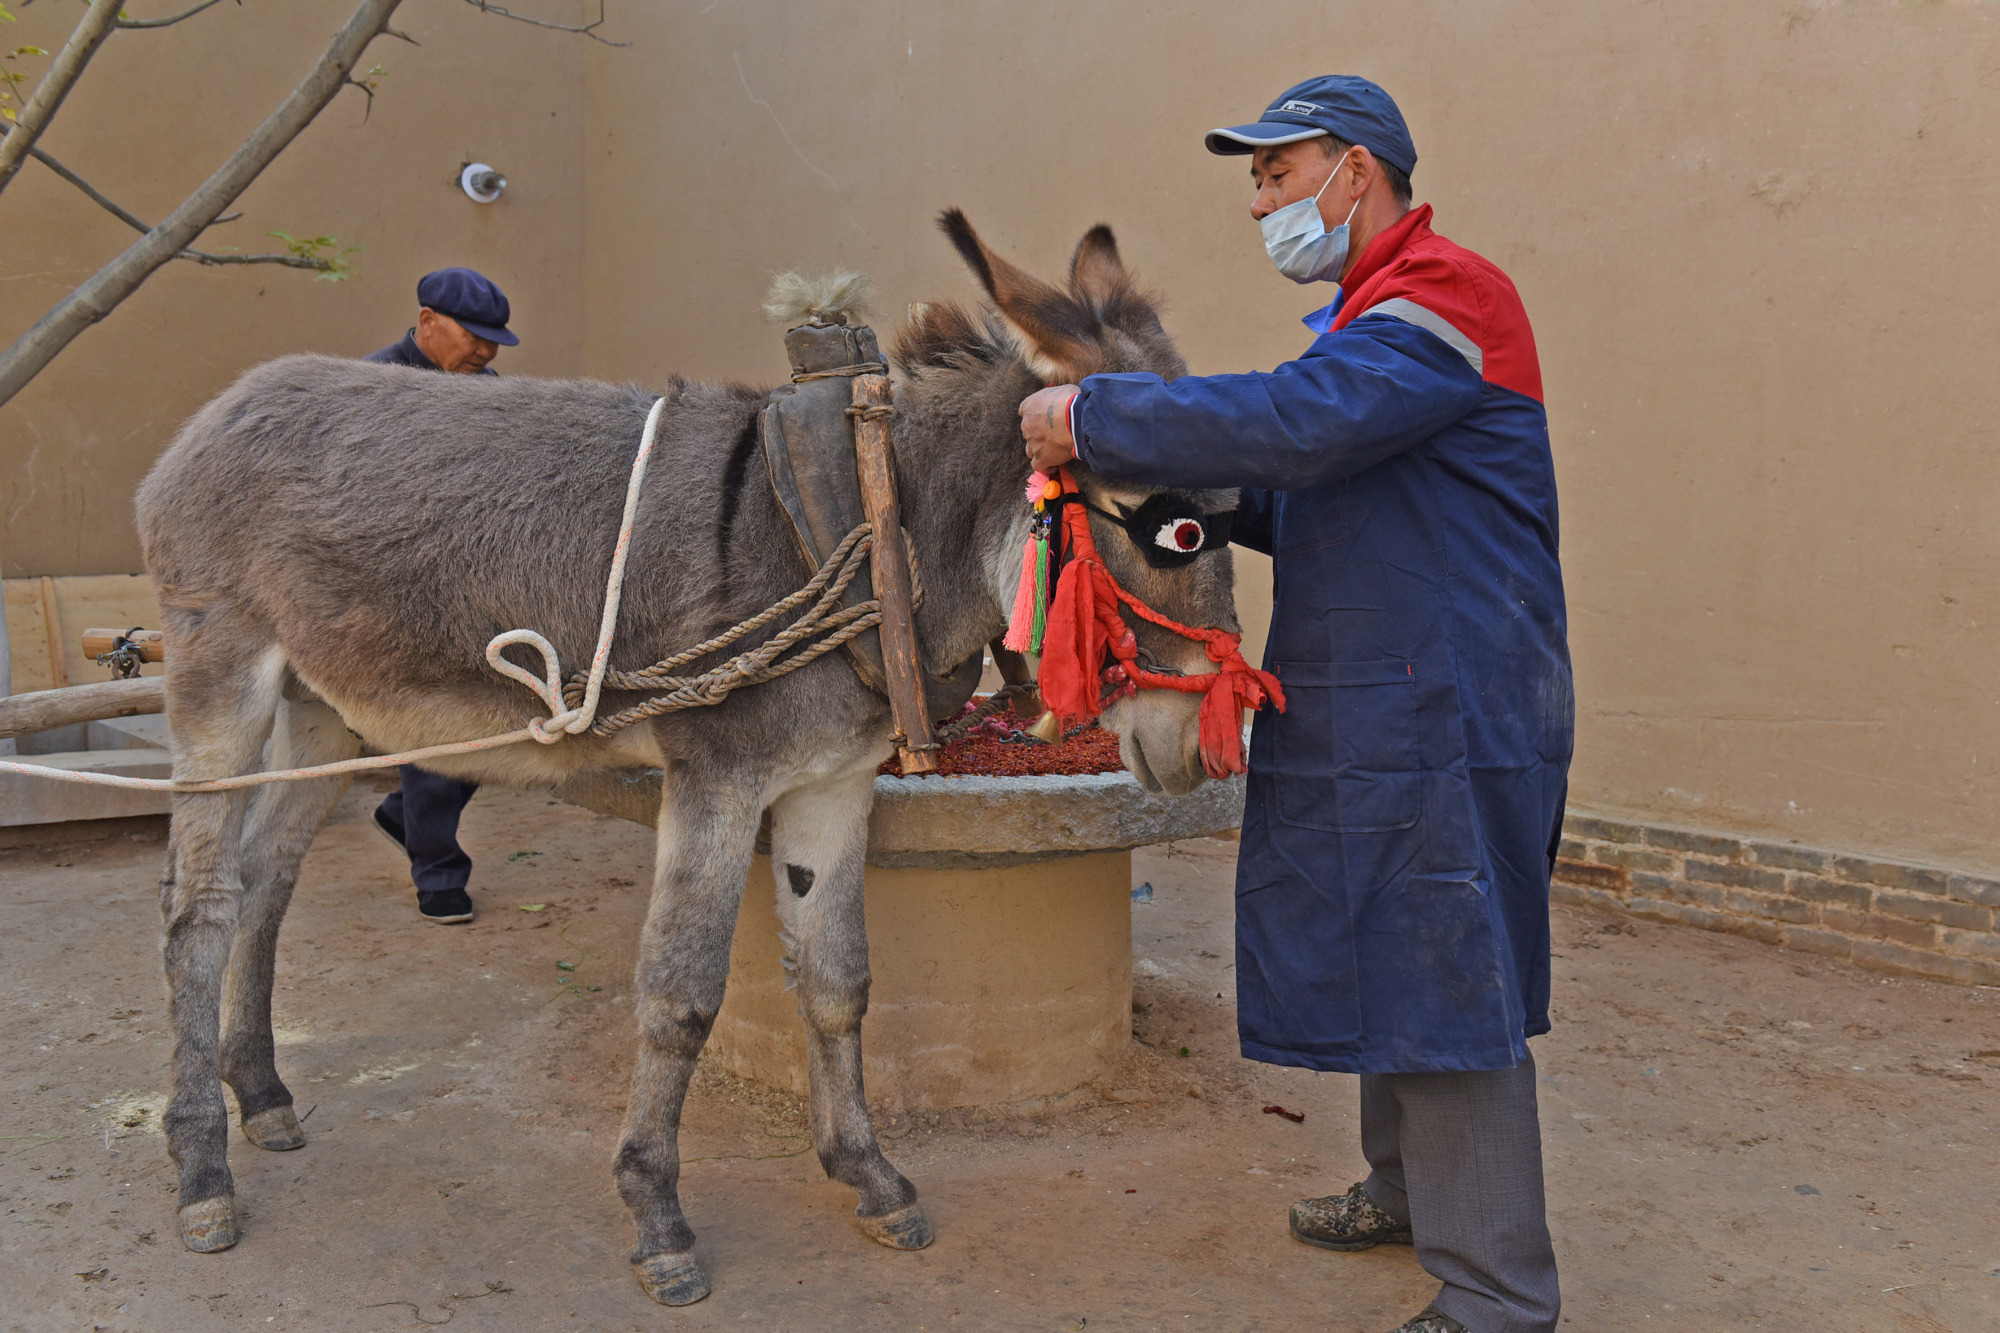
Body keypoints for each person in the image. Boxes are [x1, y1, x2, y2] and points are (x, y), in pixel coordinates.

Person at [1018, 77, 1571, 1333]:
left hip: (1451, 691)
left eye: (1277, 172)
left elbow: (1300, 424)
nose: (1260, 199)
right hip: (1375, 682)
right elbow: (1298, 481)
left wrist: (1095, 414)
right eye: (1253, 180)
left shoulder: (1444, 298)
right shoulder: (1359, 323)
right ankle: (1399, 1189)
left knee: (1442, 959)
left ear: (1357, 170)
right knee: (1391, 932)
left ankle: (1494, 1296)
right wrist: (1178, 506)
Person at [361, 267, 520, 923]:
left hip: (476, 584)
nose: (485, 351)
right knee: (438, 720)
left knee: (505, 712)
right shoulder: (369, 389)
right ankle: (438, 873)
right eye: (472, 335)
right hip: (397, 588)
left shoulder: (490, 393)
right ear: (427, 321)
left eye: (494, 340)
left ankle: (403, 816)